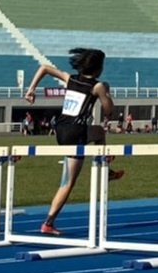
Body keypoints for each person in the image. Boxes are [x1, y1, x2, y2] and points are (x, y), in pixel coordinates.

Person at [24, 48, 123, 236]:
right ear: (98, 68)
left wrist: (31, 90)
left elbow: (44, 68)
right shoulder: (98, 86)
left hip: (60, 129)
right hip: (75, 133)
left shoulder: (70, 79)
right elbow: (109, 110)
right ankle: (48, 222)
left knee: (99, 132)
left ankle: (105, 169)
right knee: (68, 183)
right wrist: (107, 92)